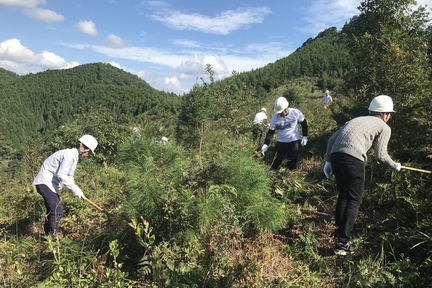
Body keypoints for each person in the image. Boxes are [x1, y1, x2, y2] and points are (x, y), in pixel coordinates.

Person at [323, 95, 401, 255]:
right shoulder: (384, 127)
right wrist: (395, 166)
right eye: (389, 114)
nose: (389, 117)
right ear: (385, 114)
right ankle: (343, 243)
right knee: (354, 199)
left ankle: (339, 233)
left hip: (337, 156)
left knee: (344, 195)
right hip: (353, 159)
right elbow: (380, 155)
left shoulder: (355, 120)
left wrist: (328, 161)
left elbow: (332, 139)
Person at [33, 135, 98, 236]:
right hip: (45, 182)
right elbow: (62, 175)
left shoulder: (74, 157)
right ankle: (53, 238)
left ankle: (47, 236)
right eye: (88, 152)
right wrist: (75, 189)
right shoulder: (69, 155)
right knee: (57, 211)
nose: (88, 155)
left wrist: (75, 190)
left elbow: (69, 176)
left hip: (49, 184)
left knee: (52, 210)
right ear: (82, 148)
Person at [261, 97, 308, 170]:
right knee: (275, 163)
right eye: (278, 112)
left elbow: (304, 123)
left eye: (280, 112)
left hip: (294, 142)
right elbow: (271, 132)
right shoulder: (275, 118)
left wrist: (305, 136)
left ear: (286, 108)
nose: (279, 114)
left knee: (291, 164)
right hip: (281, 143)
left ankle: (290, 177)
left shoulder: (296, 113)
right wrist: (266, 144)